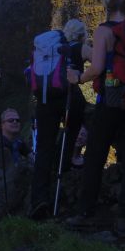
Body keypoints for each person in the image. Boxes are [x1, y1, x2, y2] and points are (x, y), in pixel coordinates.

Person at [66, 0, 125, 237]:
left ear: (108, 5)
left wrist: (78, 77)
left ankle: (84, 211)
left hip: (110, 100)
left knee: (95, 156)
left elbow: (97, 67)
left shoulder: (104, 31)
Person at [28, 19, 87, 220]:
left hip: (44, 100)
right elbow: (100, 62)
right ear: (81, 35)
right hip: (69, 98)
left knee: (43, 148)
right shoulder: (78, 47)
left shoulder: (47, 49)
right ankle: (65, 169)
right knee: (70, 135)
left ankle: (39, 200)